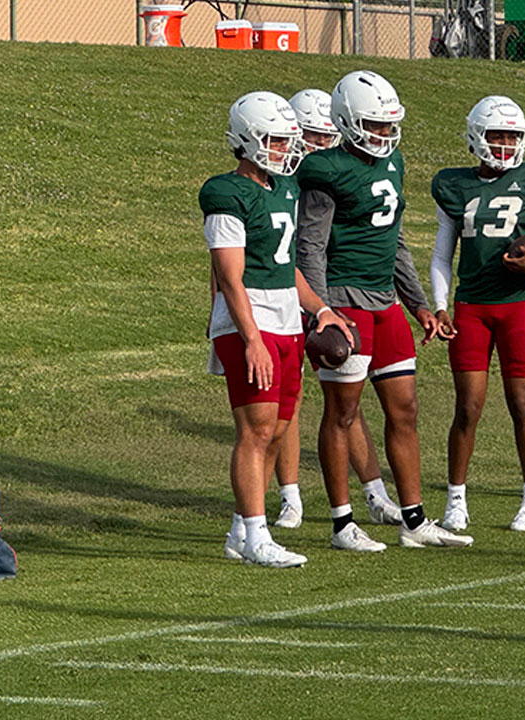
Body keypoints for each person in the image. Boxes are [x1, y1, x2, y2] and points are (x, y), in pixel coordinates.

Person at [297, 70, 472, 551]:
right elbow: (309, 247)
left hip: (385, 302)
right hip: (345, 299)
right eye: (373, 125)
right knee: (343, 412)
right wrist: (321, 311)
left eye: (386, 125)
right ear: (349, 123)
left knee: (406, 409)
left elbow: (393, 241)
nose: (383, 134)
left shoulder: (392, 161)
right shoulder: (325, 170)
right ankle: (342, 523)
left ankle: (413, 521)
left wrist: (418, 304)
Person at [201, 91, 351, 568]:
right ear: (246, 141)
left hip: (286, 318)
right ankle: (257, 534)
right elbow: (229, 275)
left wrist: (320, 309)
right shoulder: (225, 192)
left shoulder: (283, 188)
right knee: (256, 430)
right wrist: (251, 339)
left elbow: (288, 268)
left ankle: (242, 531)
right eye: (276, 141)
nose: (287, 150)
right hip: (252, 321)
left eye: (289, 142)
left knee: (279, 427)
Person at [429, 96, 525, 533]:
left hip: (517, 306)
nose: (504, 144)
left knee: (523, 403)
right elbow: (442, 255)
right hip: (472, 306)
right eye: (497, 135)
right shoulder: (452, 185)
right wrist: (440, 305)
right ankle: (456, 500)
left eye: (512, 136)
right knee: (468, 406)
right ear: (476, 135)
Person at [268, 89, 402, 531]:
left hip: (318, 294)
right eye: (308, 136)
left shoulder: (330, 171)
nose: (315, 147)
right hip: (278, 296)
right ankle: (290, 496)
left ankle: (375, 492)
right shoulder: (273, 178)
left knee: (345, 399)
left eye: (324, 137)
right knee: (288, 402)